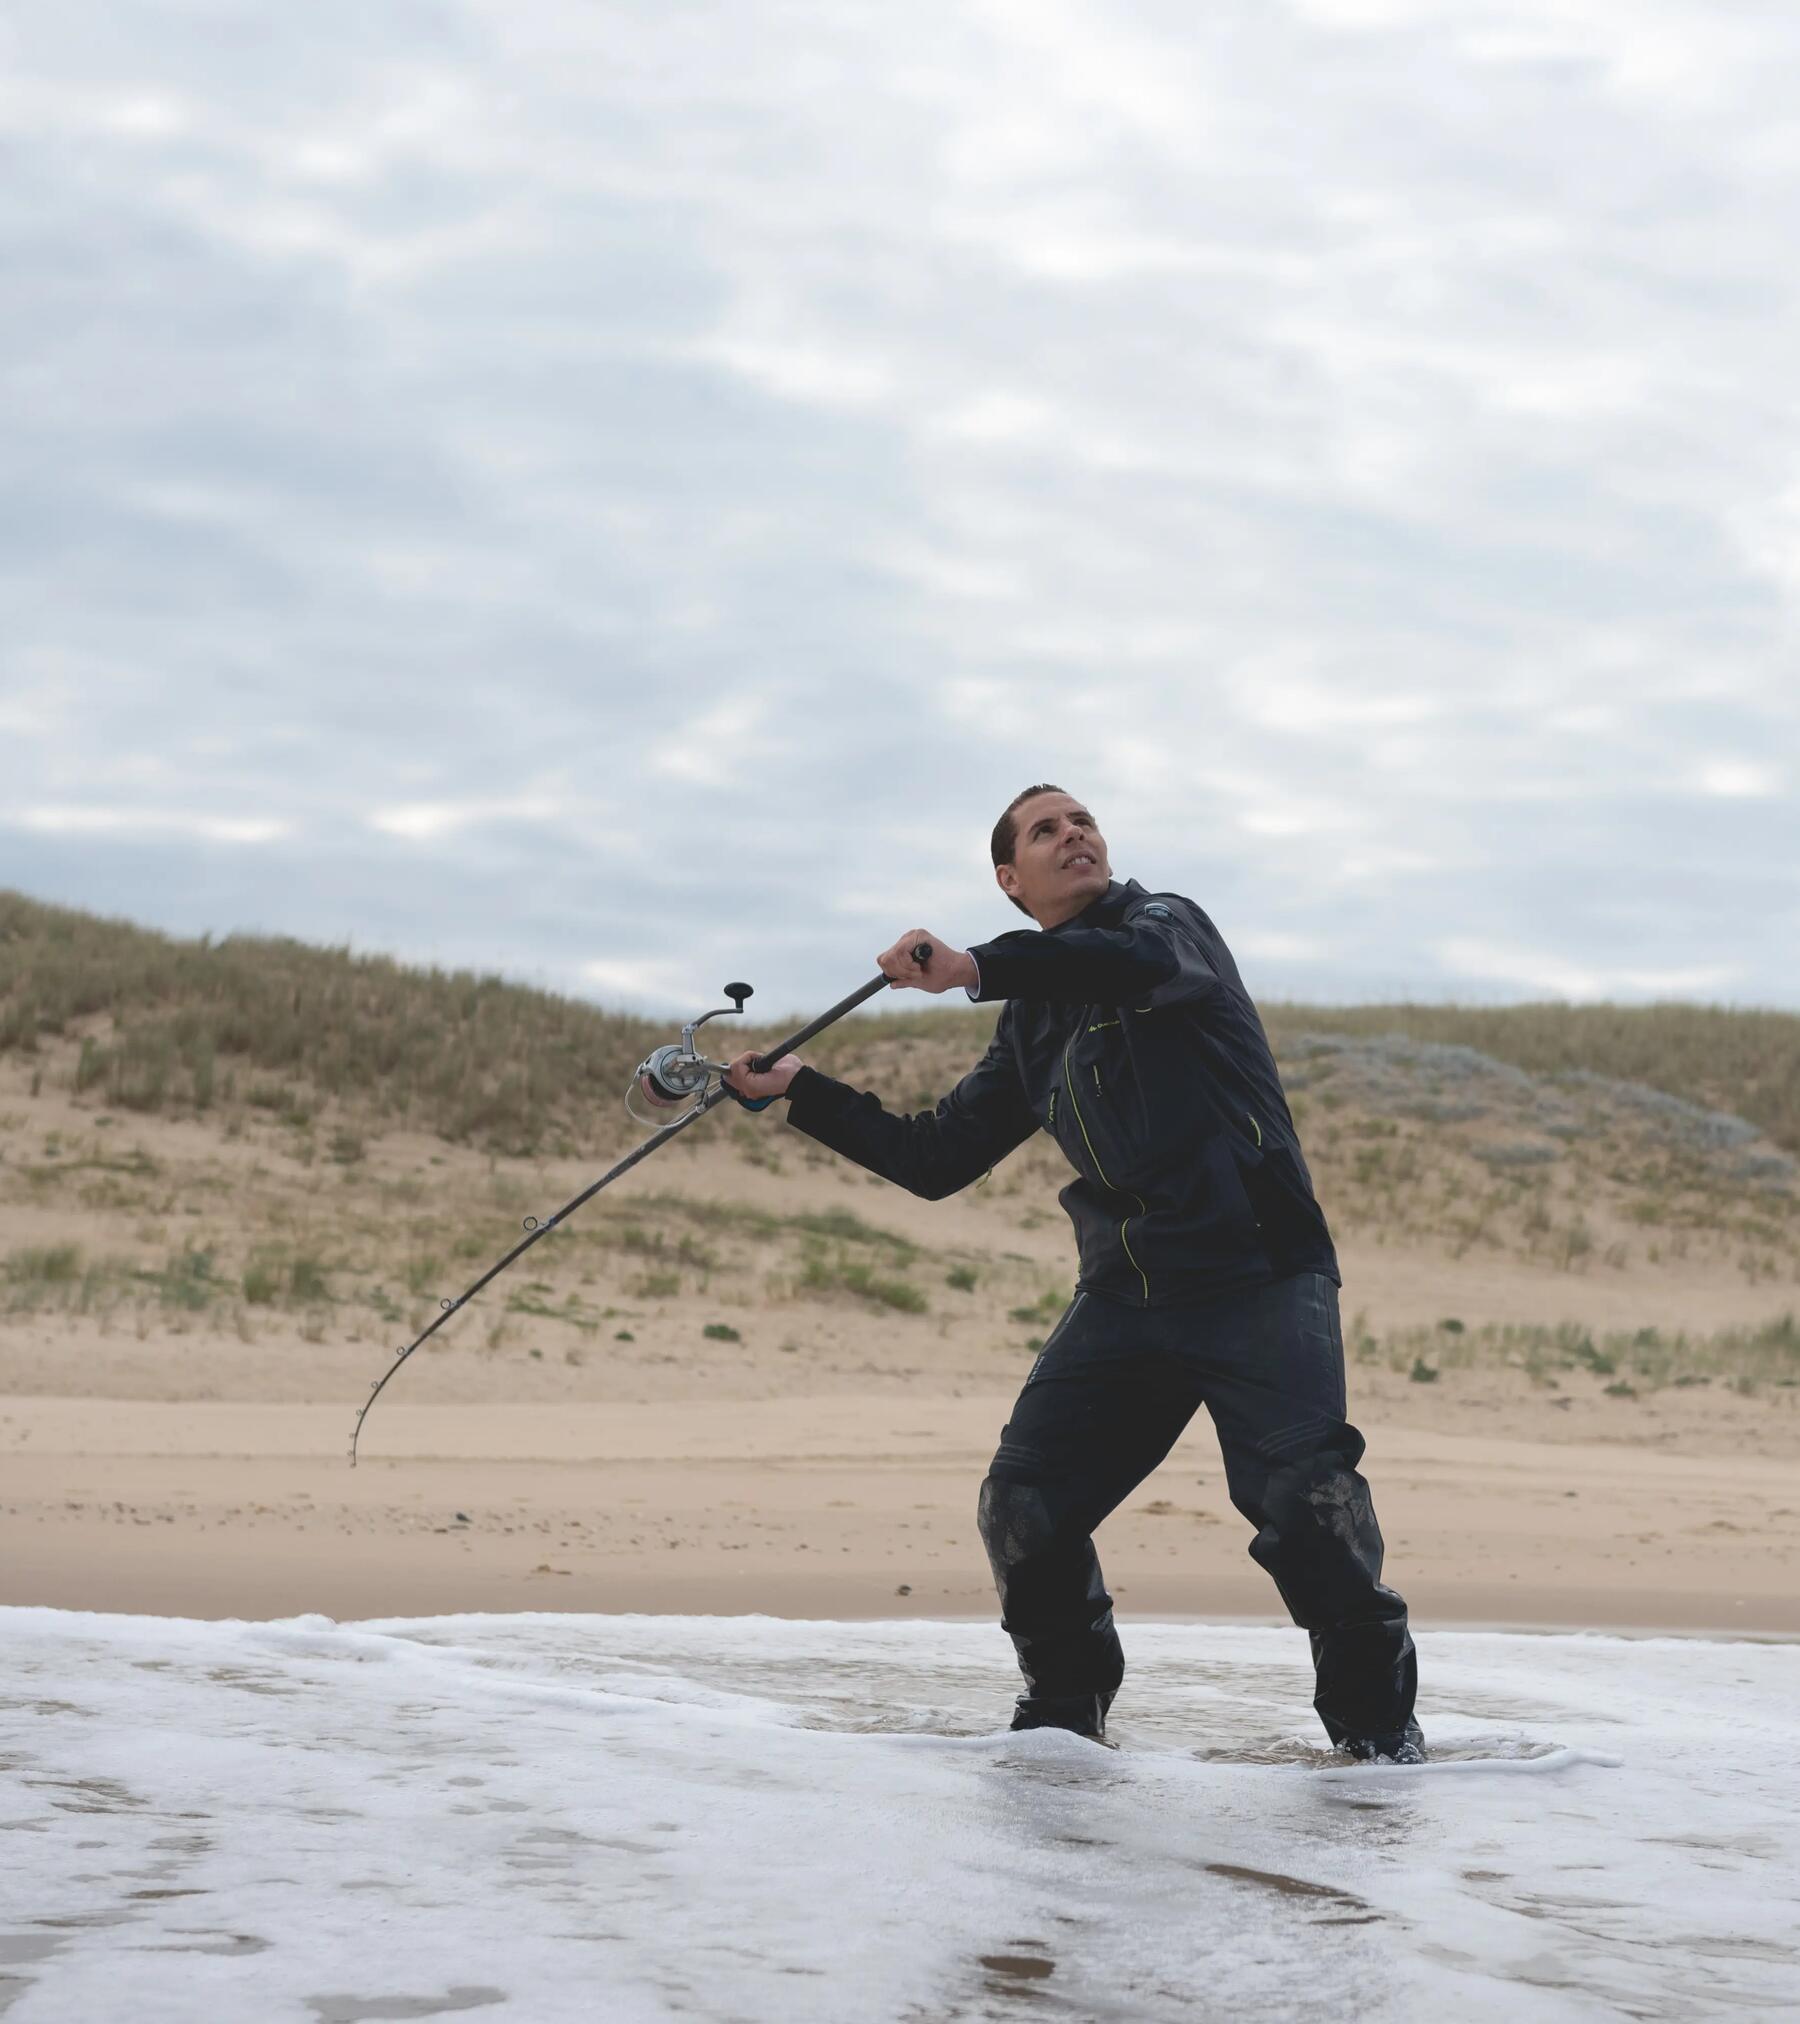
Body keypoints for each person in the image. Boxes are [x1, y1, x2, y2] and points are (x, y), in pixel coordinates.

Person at [725, 784, 1422, 1760]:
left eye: (1083, 820)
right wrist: (802, 1091)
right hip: (1129, 1294)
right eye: (1046, 830)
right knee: (1025, 1505)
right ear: (1013, 880)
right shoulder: (1033, 1026)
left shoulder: (1165, 925)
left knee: (1307, 1506)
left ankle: (1378, 1753)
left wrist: (973, 966)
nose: (1075, 835)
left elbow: (1124, 962)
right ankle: (1062, 1728)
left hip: (1258, 1269)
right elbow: (936, 1158)